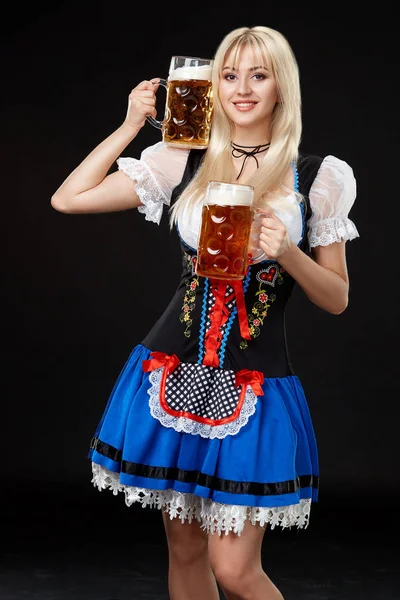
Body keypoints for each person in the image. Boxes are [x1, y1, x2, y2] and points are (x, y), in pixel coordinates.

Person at [51, 24, 359, 600]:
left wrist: (287, 252)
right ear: (213, 84)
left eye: (258, 74)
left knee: (236, 569)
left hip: (255, 381)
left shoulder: (317, 177)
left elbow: (336, 298)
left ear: (280, 88)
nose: (243, 88)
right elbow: (68, 198)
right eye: (230, 74)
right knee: (186, 551)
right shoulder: (180, 160)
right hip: (172, 370)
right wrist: (127, 126)